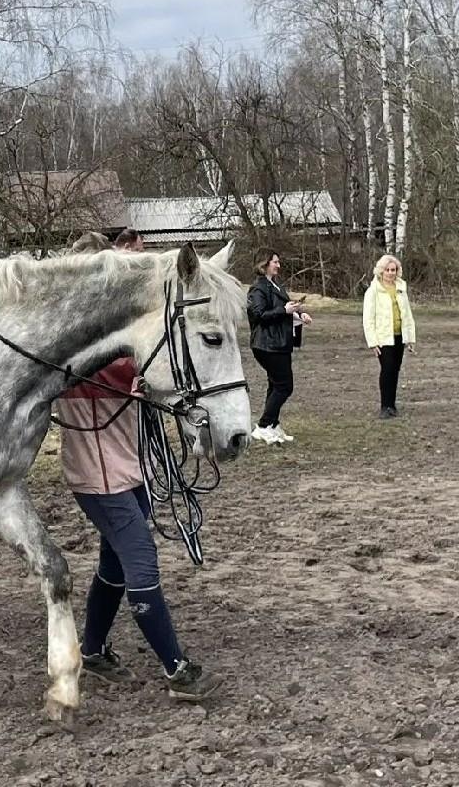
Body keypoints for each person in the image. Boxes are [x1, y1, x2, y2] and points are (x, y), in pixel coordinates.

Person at [52, 230, 220, 701]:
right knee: (140, 560)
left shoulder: (113, 336)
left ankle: (93, 651)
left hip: (130, 466)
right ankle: (177, 670)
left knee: (114, 564)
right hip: (98, 476)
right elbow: (118, 365)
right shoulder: (75, 338)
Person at [245, 251, 310, 444]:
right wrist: (284, 310)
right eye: (275, 262)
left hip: (279, 343)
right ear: (264, 263)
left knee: (275, 385)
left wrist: (299, 313)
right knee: (284, 386)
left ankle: (272, 424)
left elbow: (283, 309)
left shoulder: (275, 285)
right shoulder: (257, 289)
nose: (278, 265)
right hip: (267, 344)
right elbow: (259, 315)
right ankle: (263, 426)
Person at [361, 254, 417, 418]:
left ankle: (392, 405)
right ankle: (385, 406)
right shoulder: (373, 291)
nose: (391, 273)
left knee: (395, 370)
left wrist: (410, 338)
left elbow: (407, 314)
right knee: (387, 369)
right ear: (381, 271)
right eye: (388, 270)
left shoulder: (401, 289)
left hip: (399, 336)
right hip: (383, 337)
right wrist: (372, 342)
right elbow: (368, 318)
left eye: (393, 270)